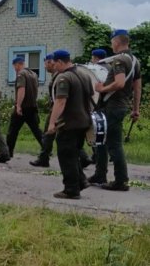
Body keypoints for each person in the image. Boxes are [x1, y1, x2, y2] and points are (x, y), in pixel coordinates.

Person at [90, 29, 142, 191]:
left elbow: (119, 83)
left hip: (112, 106)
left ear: (117, 41)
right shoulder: (135, 61)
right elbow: (137, 87)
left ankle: (121, 181)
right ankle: (100, 174)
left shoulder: (119, 60)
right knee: (102, 141)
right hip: (122, 105)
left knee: (113, 144)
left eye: (112, 41)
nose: (111, 44)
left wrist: (102, 88)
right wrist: (135, 109)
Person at [46, 49, 93, 199]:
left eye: (54, 64)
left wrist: (52, 123)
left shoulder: (64, 78)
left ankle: (71, 189)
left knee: (66, 156)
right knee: (74, 154)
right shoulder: (84, 74)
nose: (54, 67)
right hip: (84, 121)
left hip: (69, 123)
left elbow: (60, 101)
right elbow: (92, 97)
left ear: (60, 62)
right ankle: (81, 181)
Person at [5, 56, 44, 157]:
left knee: (12, 130)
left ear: (18, 64)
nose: (15, 69)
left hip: (23, 107)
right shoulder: (33, 74)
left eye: (14, 66)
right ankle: (46, 149)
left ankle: (8, 152)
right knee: (37, 130)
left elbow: (21, 89)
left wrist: (18, 106)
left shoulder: (21, 74)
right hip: (32, 106)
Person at [29, 54, 57, 167]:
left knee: (49, 134)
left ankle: (43, 158)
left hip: (57, 110)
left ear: (51, 62)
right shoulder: (56, 75)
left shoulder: (59, 75)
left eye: (46, 64)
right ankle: (44, 158)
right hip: (55, 107)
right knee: (49, 136)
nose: (45, 67)